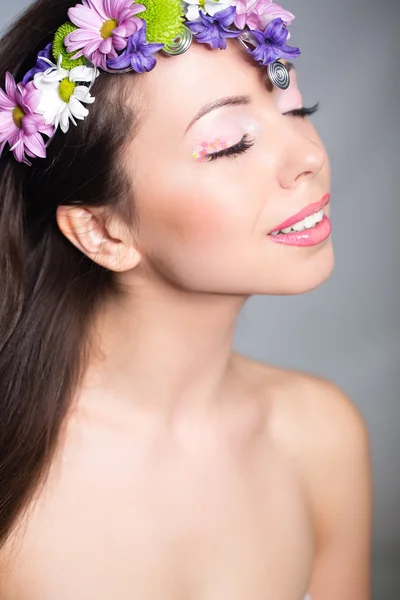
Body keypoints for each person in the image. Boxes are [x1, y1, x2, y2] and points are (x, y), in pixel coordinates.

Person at [0, 0, 372, 598]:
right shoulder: (12, 475)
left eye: (298, 109)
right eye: (230, 145)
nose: (309, 157)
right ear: (102, 232)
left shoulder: (319, 435)